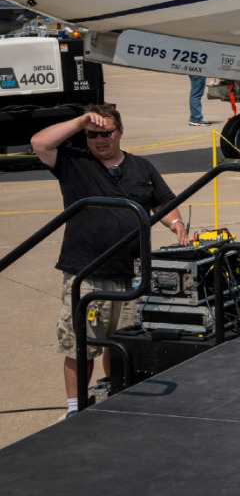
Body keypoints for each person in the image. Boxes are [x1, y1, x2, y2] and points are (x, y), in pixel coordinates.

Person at [30, 105, 189, 417]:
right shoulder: (74, 162)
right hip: (87, 274)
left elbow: (163, 201)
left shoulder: (142, 167)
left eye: (106, 133)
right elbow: (40, 143)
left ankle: (116, 395)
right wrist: (79, 121)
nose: (100, 140)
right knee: (81, 346)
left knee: (124, 344)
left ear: (120, 132)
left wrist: (176, 223)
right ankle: (76, 409)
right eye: (93, 134)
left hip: (133, 274)